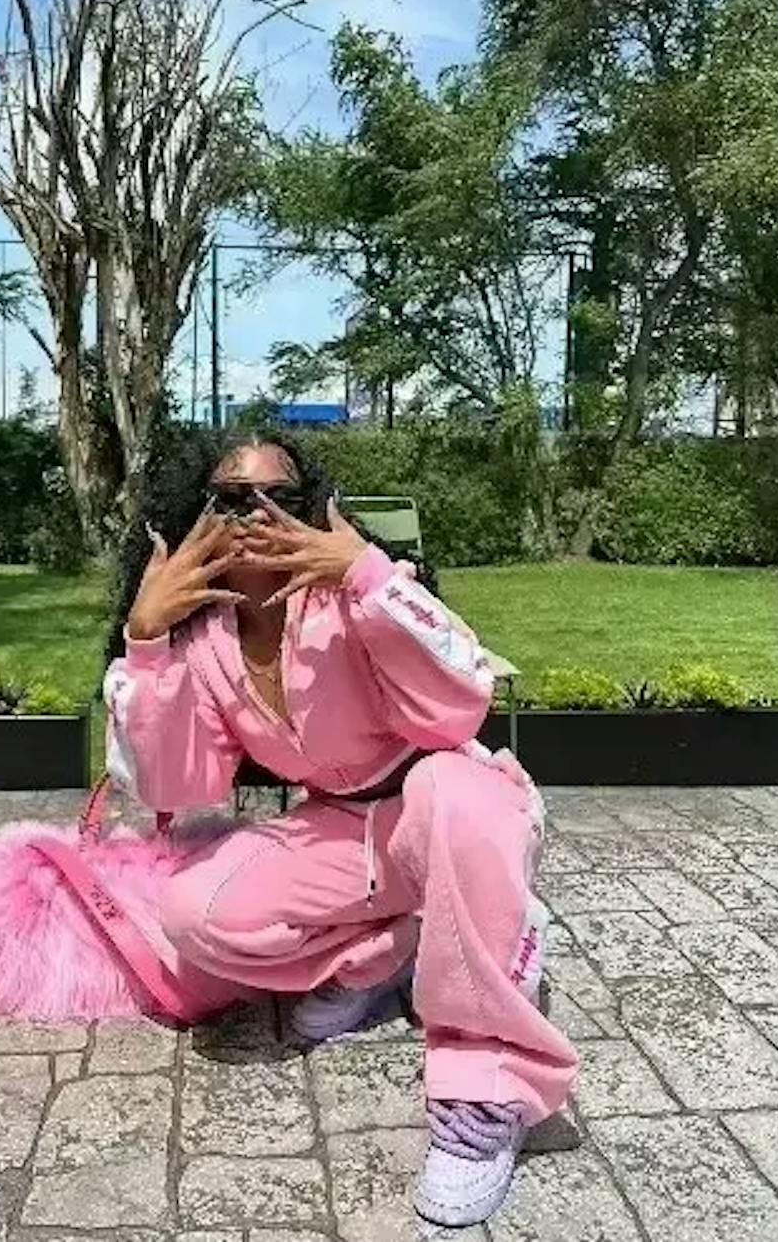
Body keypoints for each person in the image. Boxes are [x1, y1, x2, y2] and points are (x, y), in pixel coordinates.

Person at [103, 430, 578, 1228]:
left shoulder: (351, 593)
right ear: (196, 517)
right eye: (231, 497)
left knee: (450, 792)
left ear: (313, 508)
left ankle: (488, 1088)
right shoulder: (204, 640)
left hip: (449, 802)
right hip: (342, 828)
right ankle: (391, 950)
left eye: (279, 495)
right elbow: (175, 781)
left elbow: (460, 704)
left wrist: (366, 575)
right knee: (195, 911)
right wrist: (146, 638)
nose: (256, 513)